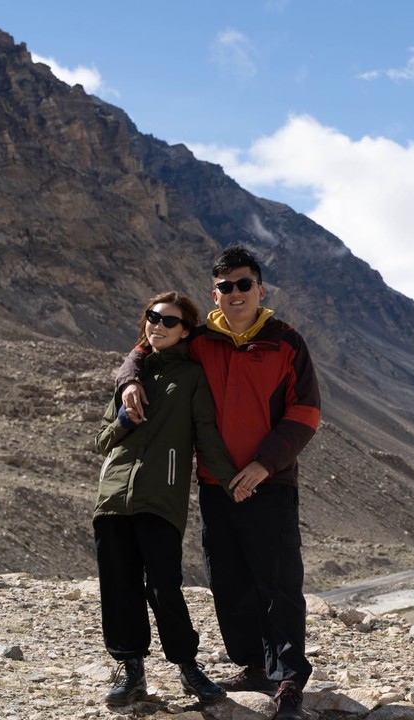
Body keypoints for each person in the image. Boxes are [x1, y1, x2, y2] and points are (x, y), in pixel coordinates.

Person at [117, 245, 321, 720]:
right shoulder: (200, 339)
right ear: (214, 293)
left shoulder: (285, 342)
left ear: (260, 289)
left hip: (270, 482)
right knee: (228, 580)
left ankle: (289, 677)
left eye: (244, 284)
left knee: (279, 581)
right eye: (226, 287)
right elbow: (143, 349)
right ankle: (253, 666)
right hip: (215, 484)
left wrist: (264, 465)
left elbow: (305, 412)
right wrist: (128, 381)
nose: (235, 294)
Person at [94, 291, 235, 707]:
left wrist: (234, 482)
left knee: (164, 587)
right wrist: (122, 418)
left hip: (161, 499)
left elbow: (206, 435)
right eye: (152, 317)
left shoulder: (191, 377)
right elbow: (102, 440)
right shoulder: (127, 380)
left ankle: (188, 668)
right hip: (114, 499)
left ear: (185, 330)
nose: (157, 325)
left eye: (168, 321)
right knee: (119, 588)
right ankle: (131, 672)